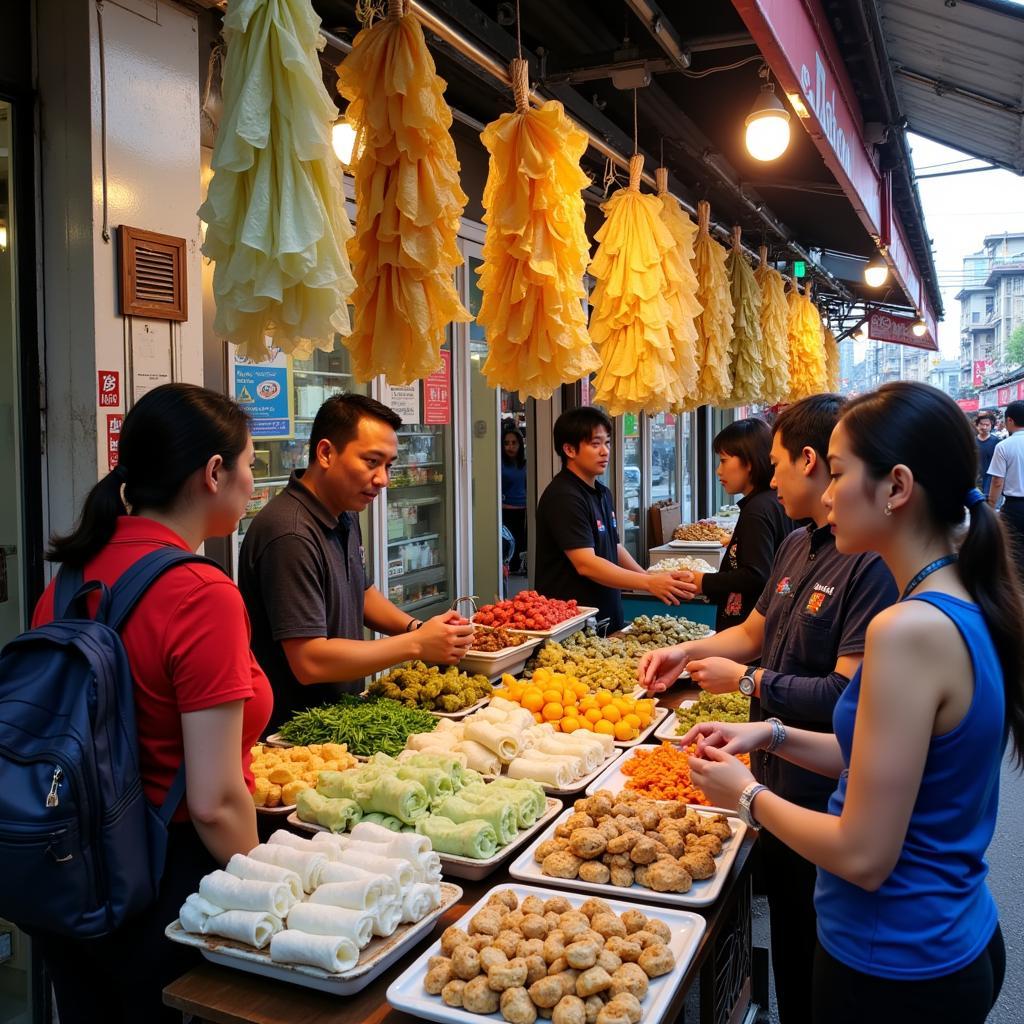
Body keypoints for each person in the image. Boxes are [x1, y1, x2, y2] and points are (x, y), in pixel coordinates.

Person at [681, 381, 1023, 1024]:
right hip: (950, 938)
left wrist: (746, 797)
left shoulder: (907, 629)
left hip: (891, 962)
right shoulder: (958, 601)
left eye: (837, 474)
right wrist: (772, 737)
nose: (827, 495)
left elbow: (864, 856)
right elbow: (878, 762)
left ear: (896, 488)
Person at [638, 393, 898, 1024]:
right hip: (778, 786)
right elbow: (754, 630)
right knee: (792, 954)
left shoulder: (877, 572)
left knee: (816, 963)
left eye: (780, 461)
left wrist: (749, 684)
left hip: (826, 808)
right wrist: (688, 650)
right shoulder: (797, 544)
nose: (769, 474)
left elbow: (848, 704)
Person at [29, 384, 273, 1023]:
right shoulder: (201, 592)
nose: (252, 483)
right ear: (213, 473)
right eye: (249, 464)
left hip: (72, 875)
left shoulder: (71, 577)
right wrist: (275, 893)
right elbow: (215, 802)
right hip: (167, 887)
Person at [239, 394, 474, 730]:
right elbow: (309, 661)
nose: (383, 479)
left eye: (389, 465)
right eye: (371, 462)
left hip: (341, 717)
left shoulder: (343, 512)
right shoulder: (289, 534)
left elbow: (360, 594)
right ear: (325, 453)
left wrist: (417, 628)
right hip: (295, 732)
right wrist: (417, 644)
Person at [534, 406, 691, 633]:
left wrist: (648, 577)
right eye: (595, 444)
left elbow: (614, 546)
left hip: (607, 613)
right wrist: (648, 583)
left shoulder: (602, 492)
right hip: (573, 621)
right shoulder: (564, 496)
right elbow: (586, 564)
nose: (605, 451)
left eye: (607, 443)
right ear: (569, 449)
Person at [678, 417, 794, 631]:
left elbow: (756, 576)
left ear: (748, 463)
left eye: (723, 460)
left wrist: (702, 581)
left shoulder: (757, 510)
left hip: (750, 626)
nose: (718, 471)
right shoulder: (772, 501)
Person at [986, 400, 1024, 580]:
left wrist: (991, 507)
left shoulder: (1003, 446)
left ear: (1010, 420)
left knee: (1014, 554)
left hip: (1014, 509)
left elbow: (997, 482)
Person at [502, 423, 528, 575]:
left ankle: (518, 566)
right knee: (507, 543)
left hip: (523, 510)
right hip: (505, 510)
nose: (510, 447)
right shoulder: (499, 465)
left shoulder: (525, 464)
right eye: (506, 443)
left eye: (514, 443)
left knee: (520, 543)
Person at [974, 412, 999, 496]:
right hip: (976, 482)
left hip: (991, 482)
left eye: (987, 425)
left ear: (991, 426)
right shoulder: (972, 441)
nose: (984, 427)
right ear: (977, 424)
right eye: (981, 424)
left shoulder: (997, 442)